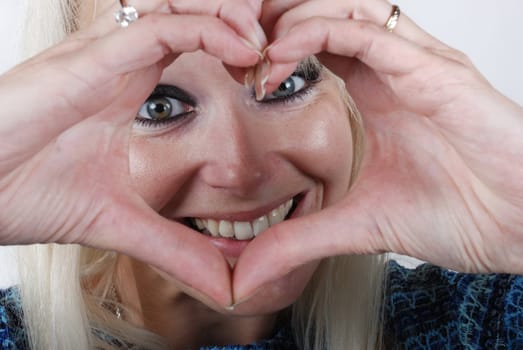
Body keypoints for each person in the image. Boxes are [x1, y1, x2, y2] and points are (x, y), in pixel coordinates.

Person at [0, 0, 522, 349]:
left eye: (287, 83)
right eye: (158, 106)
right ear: (60, 129)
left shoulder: (469, 321)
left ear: (349, 104)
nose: (241, 170)